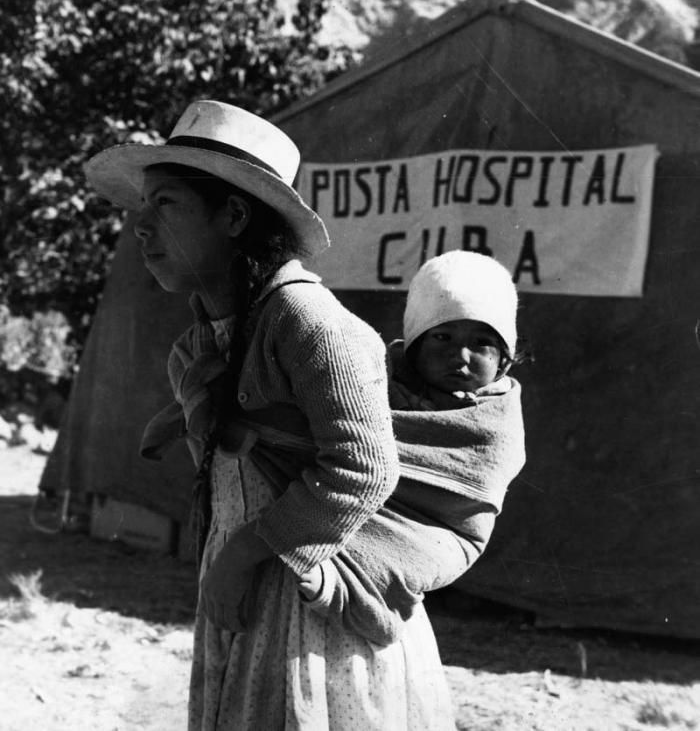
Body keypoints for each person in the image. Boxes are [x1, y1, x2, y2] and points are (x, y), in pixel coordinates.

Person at [84, 100, 456, 730]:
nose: (140, 226)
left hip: (314, 604)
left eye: (166, 204)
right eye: (141, 207)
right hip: (251, 589)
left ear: (232, 216)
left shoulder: (310, 326)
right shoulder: (207, 342)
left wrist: (239, 558)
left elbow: (364, 471)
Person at [293, 250, 526, 644]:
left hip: (443, 530)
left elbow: (476, 484)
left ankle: (358, 595)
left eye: (482, 342)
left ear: (504, 358)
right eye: (442, 337)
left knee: (415, 554)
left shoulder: (495, 417)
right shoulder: (371, 376)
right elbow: (346, 432)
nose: (461, 356)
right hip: (345, 516)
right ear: (413, 343)